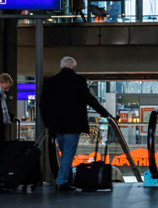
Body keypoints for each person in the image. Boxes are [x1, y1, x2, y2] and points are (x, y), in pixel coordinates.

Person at [39, 57, 113, 191]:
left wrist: (47, 122)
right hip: (73, 125)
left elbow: (43, 104)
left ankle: (65, 179)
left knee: (63, 152)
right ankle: (61, 182)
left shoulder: (50, 82)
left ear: (61, 67)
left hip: (56, 125)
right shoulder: (78, 81)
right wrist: (105, 114)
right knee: (68, 153)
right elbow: (90, 100)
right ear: (74, 67)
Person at [0, 72, 13, 142]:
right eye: (6, 87)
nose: (7, 90)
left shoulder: (2, 96)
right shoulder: (1, 95)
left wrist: (10, 116)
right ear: (1, 83)